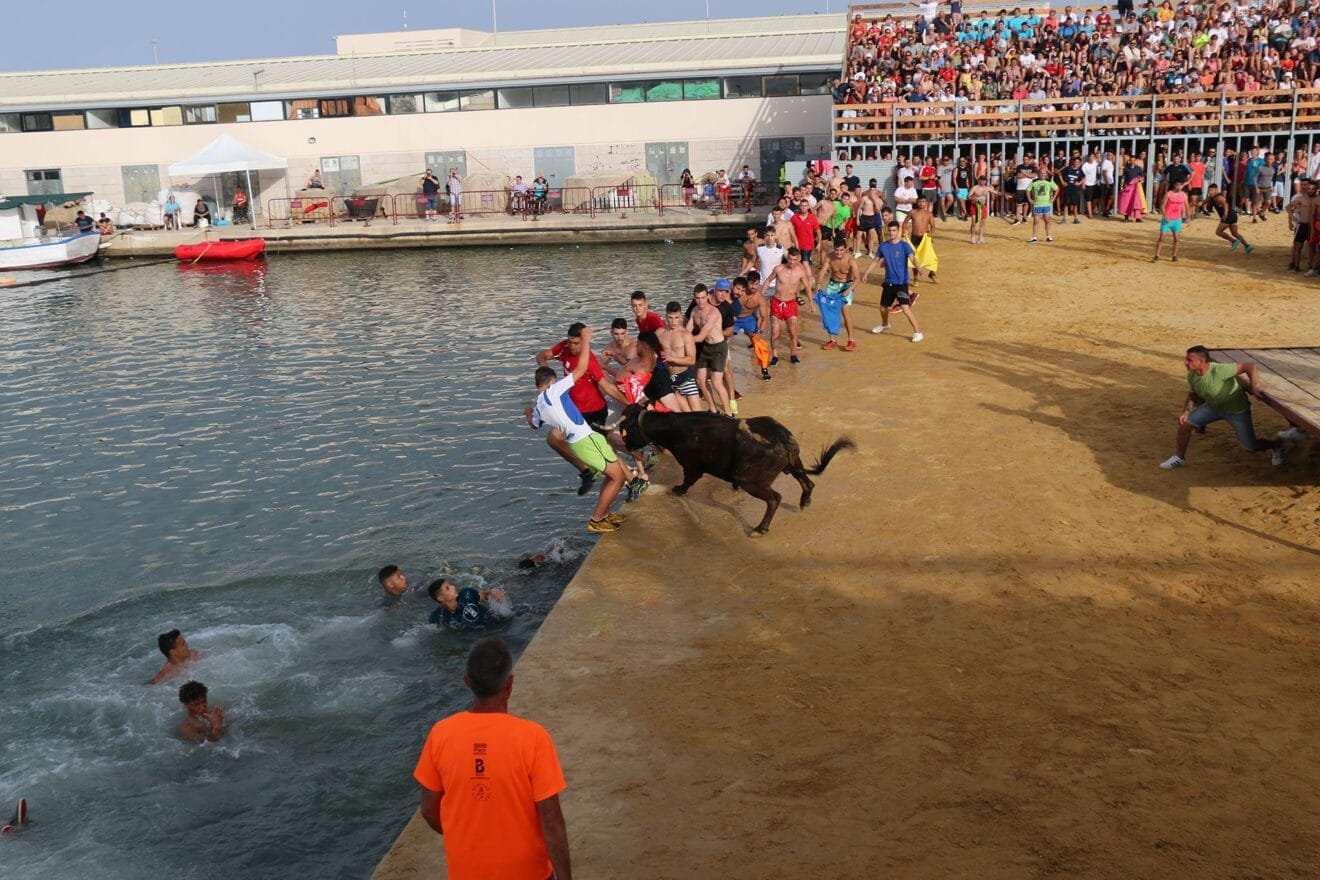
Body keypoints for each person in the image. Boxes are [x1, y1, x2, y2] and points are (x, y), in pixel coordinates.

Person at [413, 638, 571, 880]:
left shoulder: (441, 734)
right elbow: (552, 822)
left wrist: (462, 837)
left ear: (467, 682)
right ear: (509, 685)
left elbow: (428, 810)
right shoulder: (533, 738)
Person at [526, 330, 628, 534]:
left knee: (613, 474)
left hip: (585, 439)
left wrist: (527, 413)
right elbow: (581, 368)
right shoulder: (554, 390)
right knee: (618, 477)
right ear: (552, 381)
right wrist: (587, 341)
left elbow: (533, 425)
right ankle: (597, 520)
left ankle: (605, 514)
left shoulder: (538, 406)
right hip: (584, 440)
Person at [1160, 346, 1284, 470]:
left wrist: (1255, 386)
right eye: (1186, 359)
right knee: (1185, 424)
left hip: (1236, 411)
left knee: (1250, 447)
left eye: (1189, 360)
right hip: (1213, 407)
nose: (1185, 363)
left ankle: (1276, 444)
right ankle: (1179, 458)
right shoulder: (1192, 376)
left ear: (1202, 362)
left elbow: (1249, 366)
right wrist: (1186, 411)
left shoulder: (1219, 370)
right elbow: (1194, 394)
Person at [536, 323, 610, 495]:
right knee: (554, 439)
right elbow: (542, 355)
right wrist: (545, 370)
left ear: (584, 343)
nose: (571, 346)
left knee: (604, 451)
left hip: (593, 411)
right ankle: (587, 472)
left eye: (576, 343)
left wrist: (629, 402)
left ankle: (632, 477)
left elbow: (607, 386)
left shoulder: (589, 360)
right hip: (574, 411)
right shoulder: (565, 348)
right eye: (570, 342)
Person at [863, 220, 924, 343]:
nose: (891, 233)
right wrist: (866, 273)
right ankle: (885, 324)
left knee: (905, 308)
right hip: (888, 282)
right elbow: (875, 261)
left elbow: (913, 258)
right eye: (889, 230)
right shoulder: (883, 246)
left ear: (898, 231)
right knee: (882, 308)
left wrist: (918, 267)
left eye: (894, 230)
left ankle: (918, 332)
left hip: (901, 283)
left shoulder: (904, 246)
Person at [688, 284, 733, 416]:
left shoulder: (713, 312)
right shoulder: (694, 311)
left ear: (708, 296)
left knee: (716, 381)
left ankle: (729, 413)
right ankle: (713, 409)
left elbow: (702, 336)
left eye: (703, 297)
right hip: (706, 348)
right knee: (700, 380)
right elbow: (687, 331)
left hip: (718, 347)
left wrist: (683, 342)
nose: (700, 301)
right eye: (697, 298)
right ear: (694, 297)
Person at [764, 248, 814, 366]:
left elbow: (807, 288)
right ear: (787, 258)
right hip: (776, 303)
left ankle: (793, 354)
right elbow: (768, 280)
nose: (791, 262)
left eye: (794, 260)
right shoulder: (779, 269)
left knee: (793, 332)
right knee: (775, 333)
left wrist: (811, 303)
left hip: (790, 305)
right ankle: (775, 356)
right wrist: (762, 294)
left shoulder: (800, 272)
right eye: (790, 259)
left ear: (799, 259)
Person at [816, 236, 860, 350]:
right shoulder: (829, 257)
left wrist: (849, 290)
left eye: (841, 250)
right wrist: (818, 284)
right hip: (833, 285)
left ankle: (851, 340)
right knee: (830, 313)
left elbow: (857, 279)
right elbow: (822, 271)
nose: (838, 253)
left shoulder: (851, 260)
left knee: (845, 312)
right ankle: (832, 340)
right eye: (836, 250)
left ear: (845, 249)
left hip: (847, 285)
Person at [428, 578, 506, 629]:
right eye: (448, 588)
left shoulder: (467, 594)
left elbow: (484, 595)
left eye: (450, 585)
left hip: (496, 624)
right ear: (440, 598)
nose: (453, 587)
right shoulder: (437, 617)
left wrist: (492, 591)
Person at [1205, 185, 1253, 253]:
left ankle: (1234, 241)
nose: (1210, 192)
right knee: (1235, 233)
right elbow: (1202, 203)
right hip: (1233, 215)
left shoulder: (1218, 197)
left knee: (1218, 232)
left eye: (1212, 190)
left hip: (1228, 215)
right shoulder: (1211, 198)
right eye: (1209, 190)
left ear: (1216, 190)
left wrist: (1225, 214)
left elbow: (1225, 204)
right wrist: (1193, 204)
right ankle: (1247, 246)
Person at [1152, 180, 1188, 263]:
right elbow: (1162, 206)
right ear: (1174, 185)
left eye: (1180, 185)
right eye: (1177, 185)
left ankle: (1174, 256)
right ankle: (1157, 255)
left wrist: (1188, 217)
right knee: (1162, 238)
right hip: (1167, 219)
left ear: (1182, 186)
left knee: (1176, 238)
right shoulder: (1169, 194)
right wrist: (1165, 216)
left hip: (1177, 219)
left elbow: (1186, 206)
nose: (1179, 187)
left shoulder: (1184, 195)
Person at [1026, 170, 1058, 243]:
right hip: (1037, 205)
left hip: (1046, 205)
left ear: (1046, 174)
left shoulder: (1050, 181)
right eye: (1041, 173)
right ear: (1038, 174)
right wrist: (1030, 199)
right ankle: (1034, 237)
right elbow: (1028, 190)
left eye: (1044, 173)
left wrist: (1054, 198)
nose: (1042, 174)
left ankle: (1049, 236)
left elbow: (1056, 189)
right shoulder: (1034, 181)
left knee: (1047, 221)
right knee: (1036, 222)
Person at [967, 175, 992, 245]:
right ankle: (972, 237)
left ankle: (981, 238)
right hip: (974, 206)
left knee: (983, 223)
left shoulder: (987, 188)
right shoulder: (975, 188)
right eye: (982, 180)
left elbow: (996, 192)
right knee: (973, 222)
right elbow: (968, 196)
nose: (983, 182)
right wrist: (974, 199)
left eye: (984, 181)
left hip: (982, 207)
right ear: (979, 181)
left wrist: (1004, 194)